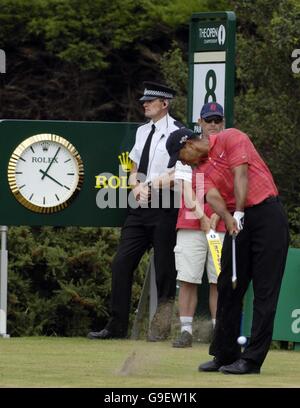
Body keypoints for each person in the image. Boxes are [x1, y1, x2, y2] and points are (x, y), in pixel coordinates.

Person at [166, 125, 289, 373]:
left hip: (267, 215)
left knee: (265, 291)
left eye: (181, 158)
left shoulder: (231, 137)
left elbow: (240, 174)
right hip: (237, 220)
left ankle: (252, 360)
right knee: (227, 285)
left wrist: (239, 212)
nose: (184, 164)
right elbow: (212, 196)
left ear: (188, 145)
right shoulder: (198, 169)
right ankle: (225, 354)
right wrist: (227, 216)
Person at [88, 81, 183, 341]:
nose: (144, 104)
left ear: (164, 103)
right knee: (121, 263)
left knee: (165, 269)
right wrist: (136, 186)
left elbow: (179, 173)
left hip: (166, 205)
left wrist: (150, 184)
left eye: (150, 101)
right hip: (140, 206)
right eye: (144, 101)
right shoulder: (142, 131)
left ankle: (160, 329)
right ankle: (117, 326)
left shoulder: (179, 132)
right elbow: (132, 167)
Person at [172, 102, 226, 348]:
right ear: (200, 123)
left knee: (218, 280)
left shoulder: (228, 151)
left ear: (222, 122)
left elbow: (233, 189)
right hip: (191, 222)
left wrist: (215, 216)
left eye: (217, 120)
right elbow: (185, 188)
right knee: (188, 278)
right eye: (209, 120)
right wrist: (202, 217)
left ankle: (219, 331)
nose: (213, 125)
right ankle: (186, 331)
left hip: (220, 224)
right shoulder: (188, 148)